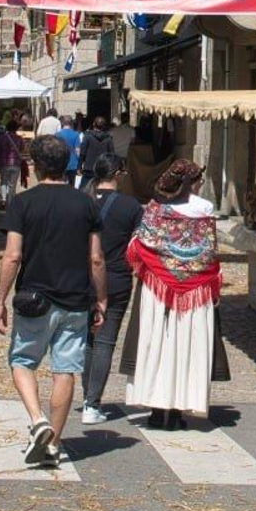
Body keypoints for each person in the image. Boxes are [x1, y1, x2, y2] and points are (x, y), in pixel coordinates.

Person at [0, 135, 106, 466]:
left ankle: (37, 418)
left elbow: (12, 256)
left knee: (22, 362)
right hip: (74, 300)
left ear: (34, 164)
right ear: (67, 162)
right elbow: (96, 258)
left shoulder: (23, 203)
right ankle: (53, 442)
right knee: (65, 370)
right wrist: (100, 298)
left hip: (35, 298)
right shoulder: (86, 204)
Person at [122, 159, 226, 430]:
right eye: (199, 180)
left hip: (158, 289)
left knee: (158, 343)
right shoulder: (204, 209)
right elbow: (210, 253)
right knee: (187, 345)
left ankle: (156, 410)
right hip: (196, 291)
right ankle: (178, 411)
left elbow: (138, 247)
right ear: (190, 183)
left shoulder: (155, 210)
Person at [79, 153, 143, 425]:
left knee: (86, 341)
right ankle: (92, 404)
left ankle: (87, 397)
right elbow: (139, 245)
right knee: (105, 340)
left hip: (80, 279)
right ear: (117, 173)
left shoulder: (82, 201)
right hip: (115, 278)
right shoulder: (131, 207)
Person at [0, 115, 24, 206]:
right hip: (16, 164)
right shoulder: (19, 138)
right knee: (13, 184)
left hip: (4, 163)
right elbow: (22, 149)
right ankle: (10, 201)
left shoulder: (2, 137)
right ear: (16, 128)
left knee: (3, 182)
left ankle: (3, 200)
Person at [56, 117, 82, 185]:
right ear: (71, 123)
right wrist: (79, 163)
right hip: (73, 163)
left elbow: (55, 149)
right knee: (71, 184)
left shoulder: (57, 134)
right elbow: (77, 150)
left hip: (61, 162)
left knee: (61, 184)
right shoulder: (76, 134)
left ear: (62, 123)